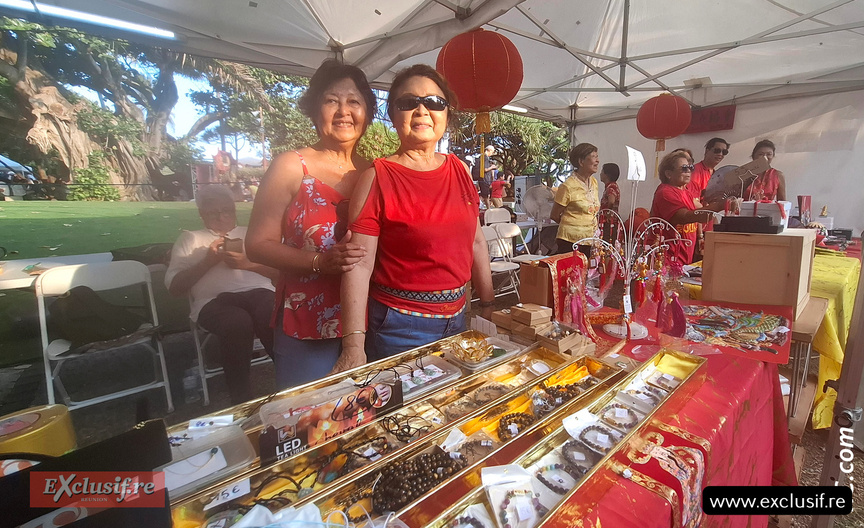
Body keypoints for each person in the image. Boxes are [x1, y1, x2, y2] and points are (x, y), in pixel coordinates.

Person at [338, 64, 495, 368]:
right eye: (408, 103)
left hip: (458, 318)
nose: (422, 110)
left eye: (434, 102)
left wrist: (486, 304)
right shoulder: (378, 176)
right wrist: (353, 346)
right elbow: (359, 265)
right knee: (407, 413)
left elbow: (476, 242)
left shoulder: (460, 169)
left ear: (446, 115)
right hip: (400, 328)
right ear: (393, 115)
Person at [245, 60, 375, 389]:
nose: (344, 111)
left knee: (365, 417)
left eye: (354, 101)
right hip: (307, 323)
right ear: (315, 109)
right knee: (309, 422)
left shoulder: (375, 171)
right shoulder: (290, 166)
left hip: (368, 319)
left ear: (367, 112)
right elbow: (257, 244)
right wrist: (319, 261)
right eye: (332, 100)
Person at [165, 186, 278, 404]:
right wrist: (208, 261)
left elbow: (280, 274)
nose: (221, 217)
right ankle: (241, 398)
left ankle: (291, 381)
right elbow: (175, 288)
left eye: (226, 210)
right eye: (213, 212)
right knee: (237, 322)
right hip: (214, 302)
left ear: (234, 209)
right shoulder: (190, 239)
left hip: (259, 294)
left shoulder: (251, 234)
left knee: (272, 312)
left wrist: (248, 264)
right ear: (201, 214)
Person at [650, 151, 733, 264]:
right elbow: (685, 217)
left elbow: (701, 216)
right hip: (666, 260)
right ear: (669, 174)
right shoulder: (665, 192)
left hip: (683, 258)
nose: (689, 171)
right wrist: (720, 205)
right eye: (684, 168)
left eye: (690, 167)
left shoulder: (686, 192)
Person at [551, 143, 601, 257]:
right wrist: (573, 226)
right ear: (581, 162)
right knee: (573, 274)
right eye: (594, 156)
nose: (597, 161)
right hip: (570, 242)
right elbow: (554, 215)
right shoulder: (567, 186)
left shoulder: (594, 182)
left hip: (590, 240)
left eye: (597, 156)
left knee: (588, 273)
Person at [686, 138, 729, 203]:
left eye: (724, 152)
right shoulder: (695, 170)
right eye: (717, 150)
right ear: (707, 151)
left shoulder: (716, 174)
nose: (720, 154)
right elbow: (692, 199)